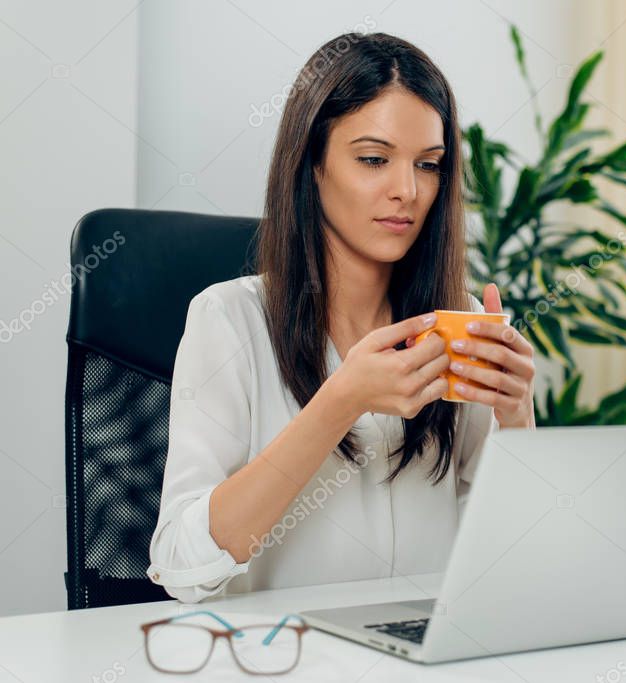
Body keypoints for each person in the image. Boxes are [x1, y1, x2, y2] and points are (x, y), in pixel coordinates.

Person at [147, 32, 536, 603]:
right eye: (374, 159)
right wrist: (340, 401)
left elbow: (512, 563)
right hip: (281, 656)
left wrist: (517, 418)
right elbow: (183, 566)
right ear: (312, 165)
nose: (407, 190)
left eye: (428, 166)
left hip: (425, 656)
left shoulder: (461, 325)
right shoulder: (229, 320)